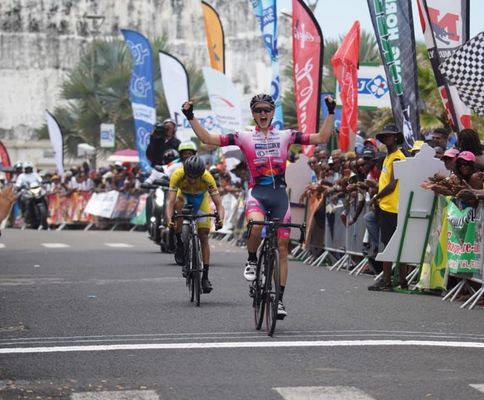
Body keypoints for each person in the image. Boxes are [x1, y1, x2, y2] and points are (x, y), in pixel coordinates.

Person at [182, 93, 336, 318]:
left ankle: (280, 301)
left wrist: (331, 112)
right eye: (258, 110)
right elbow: (207, 138)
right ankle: (252, 260)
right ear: (253, 114)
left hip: (279, 196)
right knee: (255, 226)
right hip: (258, 194)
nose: (262, 114)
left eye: (266, 110)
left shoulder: (286, 135)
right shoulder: (244, 137)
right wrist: (190, 117)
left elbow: (322, 137)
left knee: (283, 248)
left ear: (273, 112)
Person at [165, 155, 224, 293]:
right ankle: (179, 241)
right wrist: (169, 219)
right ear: (185, 172)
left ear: (201, 174)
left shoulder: (207, 177)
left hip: (200, 199)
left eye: (195, 177)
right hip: (183, 196)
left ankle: (205, 277)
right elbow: (170, 202)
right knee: (178, 206)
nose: (192, 180)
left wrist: (220, 219)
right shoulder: (177, 175)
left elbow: (219, 204)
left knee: (204, 236)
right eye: (189, 176)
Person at [368, 124, 407, 291]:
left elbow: (392, 184)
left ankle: (388, 279)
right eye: (384, 137)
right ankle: (399, 279)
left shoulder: (397, 157)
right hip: (386, 205)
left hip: (392, 206)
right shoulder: (388, 157)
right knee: (392, 243)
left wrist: (377, 196)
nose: (386, 139)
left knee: (390, 244)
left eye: (389, 136)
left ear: (396, 137)